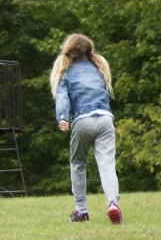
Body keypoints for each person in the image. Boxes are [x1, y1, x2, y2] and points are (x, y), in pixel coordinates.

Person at [51, 34, 122, 224]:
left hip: (83, 121)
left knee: (78, 163)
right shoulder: (98, 69)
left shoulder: (65, 73)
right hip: (105, 119)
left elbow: (62, 99)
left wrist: (63, 118)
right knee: (107, 164)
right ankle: (113, 203)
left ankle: (81, 211)